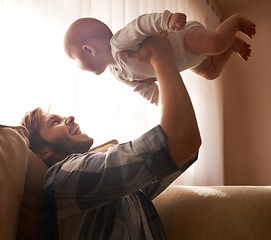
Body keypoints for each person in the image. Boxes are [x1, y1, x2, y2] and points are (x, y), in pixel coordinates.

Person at [21, 33, 201, 239]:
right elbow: (181, 140)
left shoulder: (108, 181)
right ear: (42, 152)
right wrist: (161, 58)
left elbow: (185, 147)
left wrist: (154, 84)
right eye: (55, 122)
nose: (69, 117)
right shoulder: (67, 175)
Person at [64, 10, 256, 104]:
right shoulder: (119, 75)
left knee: (215, 44)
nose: (77, 67)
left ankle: (236, 21)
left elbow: (141, 25)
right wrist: (164, 102)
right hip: (186, 61)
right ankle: (231, 45)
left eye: (75, 61)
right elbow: (145, 89)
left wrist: (167, 20)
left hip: (183, 38)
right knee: (211, 72)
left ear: (89, 50)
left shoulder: (119, 43)